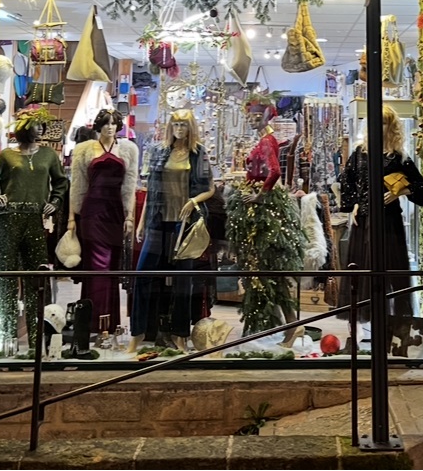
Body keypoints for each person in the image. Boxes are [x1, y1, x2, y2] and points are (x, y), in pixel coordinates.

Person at [0, 107, 68, 354]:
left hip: (35, 220)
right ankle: (5, 342)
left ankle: (37, 343)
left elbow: (61, 182)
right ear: (24, 127)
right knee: (6, 277)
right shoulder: (6, 156)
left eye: (42, 125)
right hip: (9, 219)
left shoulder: (48, 155)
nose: (40, 129)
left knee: (36, 280)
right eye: (36, 124)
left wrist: (56, 200)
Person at [338, 104, 423, 345]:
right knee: (362, 275)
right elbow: (348, 181)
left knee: (390, 274)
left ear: (392, 127)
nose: (380, 127)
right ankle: (359, 337)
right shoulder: (359, 153)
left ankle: (391, 336)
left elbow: (421, 187)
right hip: (363, 221)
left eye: (385, 123)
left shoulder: (398, 158)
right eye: (376, 123)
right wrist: (354, 205)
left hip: (388, 221)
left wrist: (401, 191)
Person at [129, 108, 215, 353]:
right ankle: (138, 333)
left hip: (184, 224)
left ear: (190, 127)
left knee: (183, 281)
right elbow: (150, 189)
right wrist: (141, 222)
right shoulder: (158, 151)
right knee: (142, 275)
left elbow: (210, 188)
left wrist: (194, 201)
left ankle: (180, 335)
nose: (179, 129)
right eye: (175, 124)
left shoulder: (198, 153)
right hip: (158, 221)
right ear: (170, 127)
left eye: (184, 125)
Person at [225, 100, 305, 345]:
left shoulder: (267, 140)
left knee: (265, 268)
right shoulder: (266, 139)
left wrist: (259, 195)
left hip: (262, 209)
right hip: (256, 205)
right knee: (261, 270)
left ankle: (291, 325)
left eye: (257, 116)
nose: (252, 119)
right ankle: (286, 325)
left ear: (267, 116)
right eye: (250, 116)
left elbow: (274, 171)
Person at [68, 108, 138, 335]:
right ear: (98, 125)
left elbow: (130, 186)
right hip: (92, 212)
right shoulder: (84, 150)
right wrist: (72, 218)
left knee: (111, 267)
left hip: (115, 212)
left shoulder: (128, 149)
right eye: (106, 123)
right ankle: (94, 322)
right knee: (96, 266)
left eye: (114, 123)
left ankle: (109, 324)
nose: (110, 127)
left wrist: (129, 216)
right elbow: (77, 186)